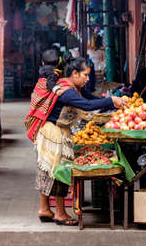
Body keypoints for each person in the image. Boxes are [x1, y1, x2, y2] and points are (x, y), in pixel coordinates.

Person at [27, 55, 126, 226]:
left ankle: (45, 209)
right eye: (85, 75)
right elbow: (86, 105)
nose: (88, 79)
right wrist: (111, 100)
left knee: (47, 170)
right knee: (59, 171)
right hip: (53, 133)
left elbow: (90, 99)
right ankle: (59, 213)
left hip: (51, 130)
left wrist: (113, 103)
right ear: (74, 73)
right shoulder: (67, 91)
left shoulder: (71, 87)